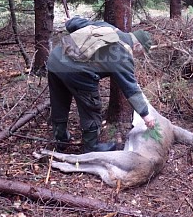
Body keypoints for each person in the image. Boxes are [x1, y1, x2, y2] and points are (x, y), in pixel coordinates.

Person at [47, 16, 156, 153]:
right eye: (141, 53)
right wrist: (146, 115)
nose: (138, 55)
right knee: (91, 105)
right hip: (76, 71)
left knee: (59, 101)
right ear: (138, 45)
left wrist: (69, 21)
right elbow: (130, 88)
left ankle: (60, 139)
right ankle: (91, 147)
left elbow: (76, 23)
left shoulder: (107, 27)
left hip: (55, 59)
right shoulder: (123, 53)